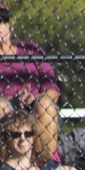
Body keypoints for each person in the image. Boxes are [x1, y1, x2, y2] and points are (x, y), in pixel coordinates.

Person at [0, 2, 60, 161]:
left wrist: (35, 98)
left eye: (3, 19)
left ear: (10, 24)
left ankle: (45, 165)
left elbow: (52, 90)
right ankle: (6, 166)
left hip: (33, 104)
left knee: (46, 105)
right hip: (7, 107)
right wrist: (11, 99)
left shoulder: (31, 50)